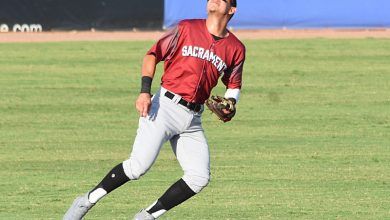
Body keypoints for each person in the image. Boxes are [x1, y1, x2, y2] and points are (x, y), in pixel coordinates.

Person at [63, 0, 245, 219]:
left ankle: (147, 216)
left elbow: (233, 85)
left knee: (199, 177)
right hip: (165, 107)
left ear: (231, 9)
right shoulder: (186, 28)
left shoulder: (236, 48)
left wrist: (231, 103)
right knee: (137, 167)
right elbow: (152, 54)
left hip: (193, 120)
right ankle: (85, 202)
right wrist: (144, 91)